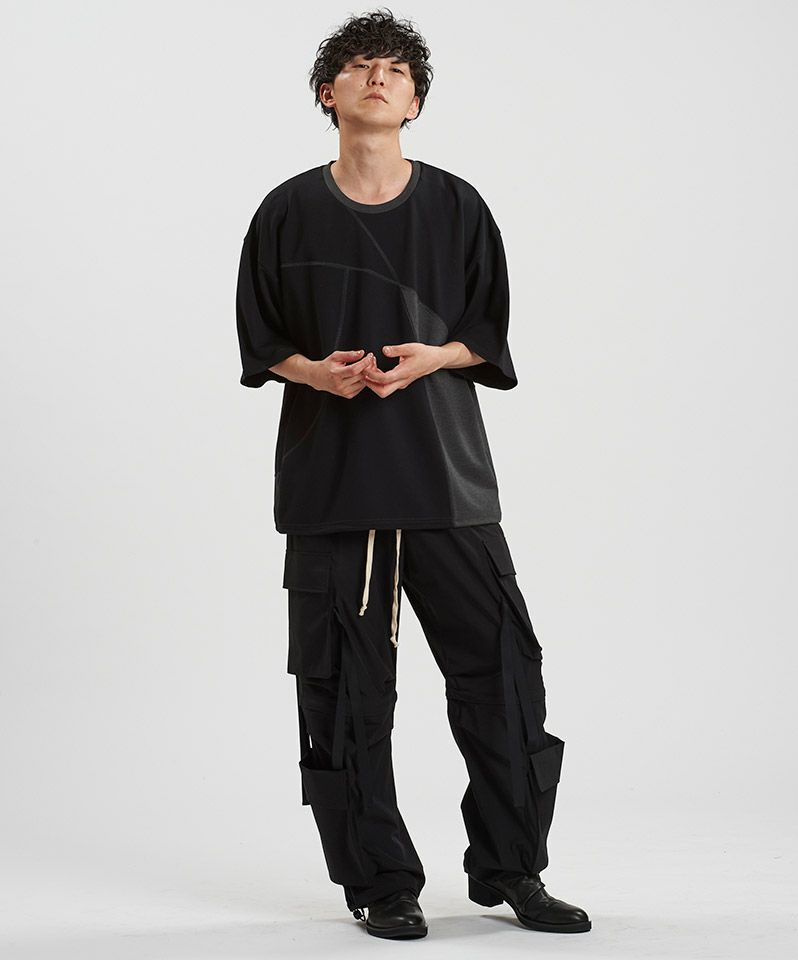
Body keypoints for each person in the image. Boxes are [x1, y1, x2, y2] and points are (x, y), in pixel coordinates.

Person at [235, 7, 591, 940]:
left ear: (416, 101)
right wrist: (319, 373)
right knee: (347, 697)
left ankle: (514, 870)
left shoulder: (459, 207)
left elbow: (487, 335)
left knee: (504, 678)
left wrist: (435, 357)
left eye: (395, 70)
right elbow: (261, 340)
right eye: (359, 66)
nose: (378, 77)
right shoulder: (285, 211)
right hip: (334, 490)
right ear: (329, 93)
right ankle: (380, 883)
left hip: (448, 486)